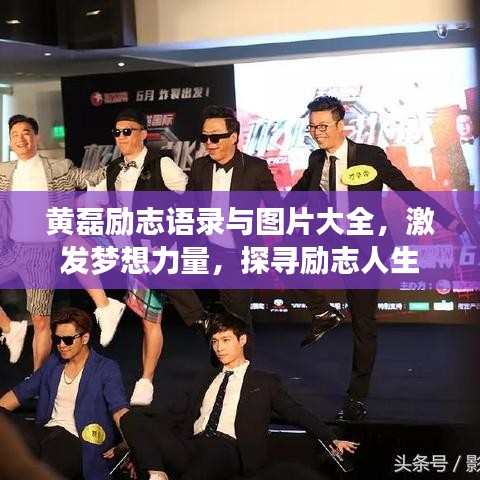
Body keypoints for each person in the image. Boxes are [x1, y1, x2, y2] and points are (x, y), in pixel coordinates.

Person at [291, 96, 463, 421]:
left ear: (341, 125)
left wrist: (448, 221)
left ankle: (356, 398)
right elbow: (297, 195)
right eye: (312, 127)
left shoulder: (369, 156)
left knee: (362, 321)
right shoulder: (315, 160)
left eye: (323, 126)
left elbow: (405, 189)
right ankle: (323, 313)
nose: (317, 132)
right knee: (279, 257)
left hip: (366, 248)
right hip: (330, 239)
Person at [164, 105, 336, 346]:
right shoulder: (200, 167)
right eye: (205, 138)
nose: (209, 143)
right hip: (206, 249)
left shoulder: (255, 168)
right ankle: (202, 320)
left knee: (238, 323)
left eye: (215, 137)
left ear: (233, 137)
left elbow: (276, 208)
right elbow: (190, 207)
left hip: (238, 256)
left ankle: (238, 368)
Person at [120, 313, 358, 480]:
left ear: (242, 340)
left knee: (205, 460)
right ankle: (157, 474)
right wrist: (137, 448)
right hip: (190, 445)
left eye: (226, 340)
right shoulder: (204, 379)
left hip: (226, 449)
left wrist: (331, 438)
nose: (219, 348)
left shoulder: (263, 382)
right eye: (215, 342)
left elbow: (295, 411)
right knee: (129, 418)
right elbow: (170, 416)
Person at [67, 107, 188, 406]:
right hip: (119, 244)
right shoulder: (112, 169)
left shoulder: (162, 164)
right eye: (117, 132)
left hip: (151, 250)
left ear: (143, 134)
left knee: (150, 320)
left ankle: (146, 380)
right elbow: (89, 202)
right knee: (73, 242)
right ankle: (105, 306)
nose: (120, 137)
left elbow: (189, 200)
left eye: (127, 131)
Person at [0, 114, 105, 371]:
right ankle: (10, 328)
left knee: (40, 320)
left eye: (26, 133)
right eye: (15, 135)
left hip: (42, 250)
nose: (21, 139)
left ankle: (38, 379)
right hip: (13, 249)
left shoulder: (59, 168)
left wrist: (127, 165)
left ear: (37, 137)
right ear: (10, 142)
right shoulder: (4, 171)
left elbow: (93, 178)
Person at [0, 307, 129, 480]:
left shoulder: (105, 368)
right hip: (44, 431)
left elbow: (119, 409)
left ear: (85, 338)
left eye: (67, 340)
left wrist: (129, 444)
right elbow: (19, 393)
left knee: (39, 469)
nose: (61, 345)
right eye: (58, 339)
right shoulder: (54, 362)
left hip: (76, 440)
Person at [447, 109, 480, 244]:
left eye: (467, 122)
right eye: (460, 123)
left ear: (472, 124)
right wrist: (455, 196)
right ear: (456, 126)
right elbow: (453, 174)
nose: (464, 126)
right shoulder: (452, 149)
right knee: (470, 226)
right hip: (464, 193)